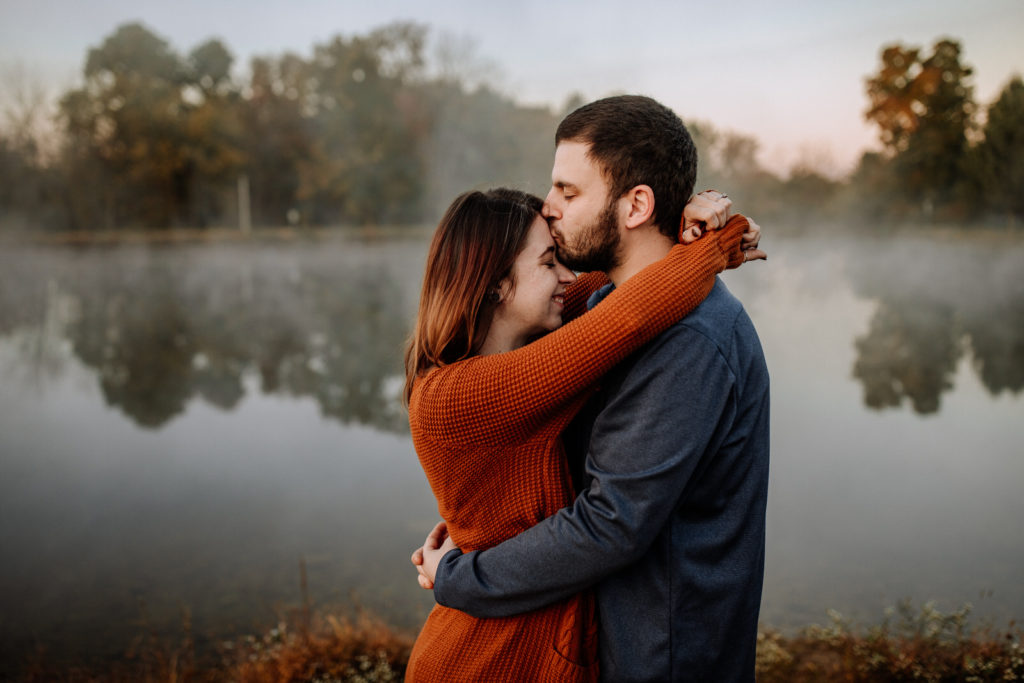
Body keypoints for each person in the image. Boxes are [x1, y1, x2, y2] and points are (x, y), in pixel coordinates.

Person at [413, 95, 771, 682]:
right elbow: (626, 313)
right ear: (496, 287)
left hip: (661, 657)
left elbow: (610, 522)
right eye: (545, 260)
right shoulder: (590, 314)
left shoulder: (688, 342)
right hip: (554, 648)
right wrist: (704, 246)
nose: (551, 209)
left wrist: (705, 245)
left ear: (635, 205)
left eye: (568, 192)